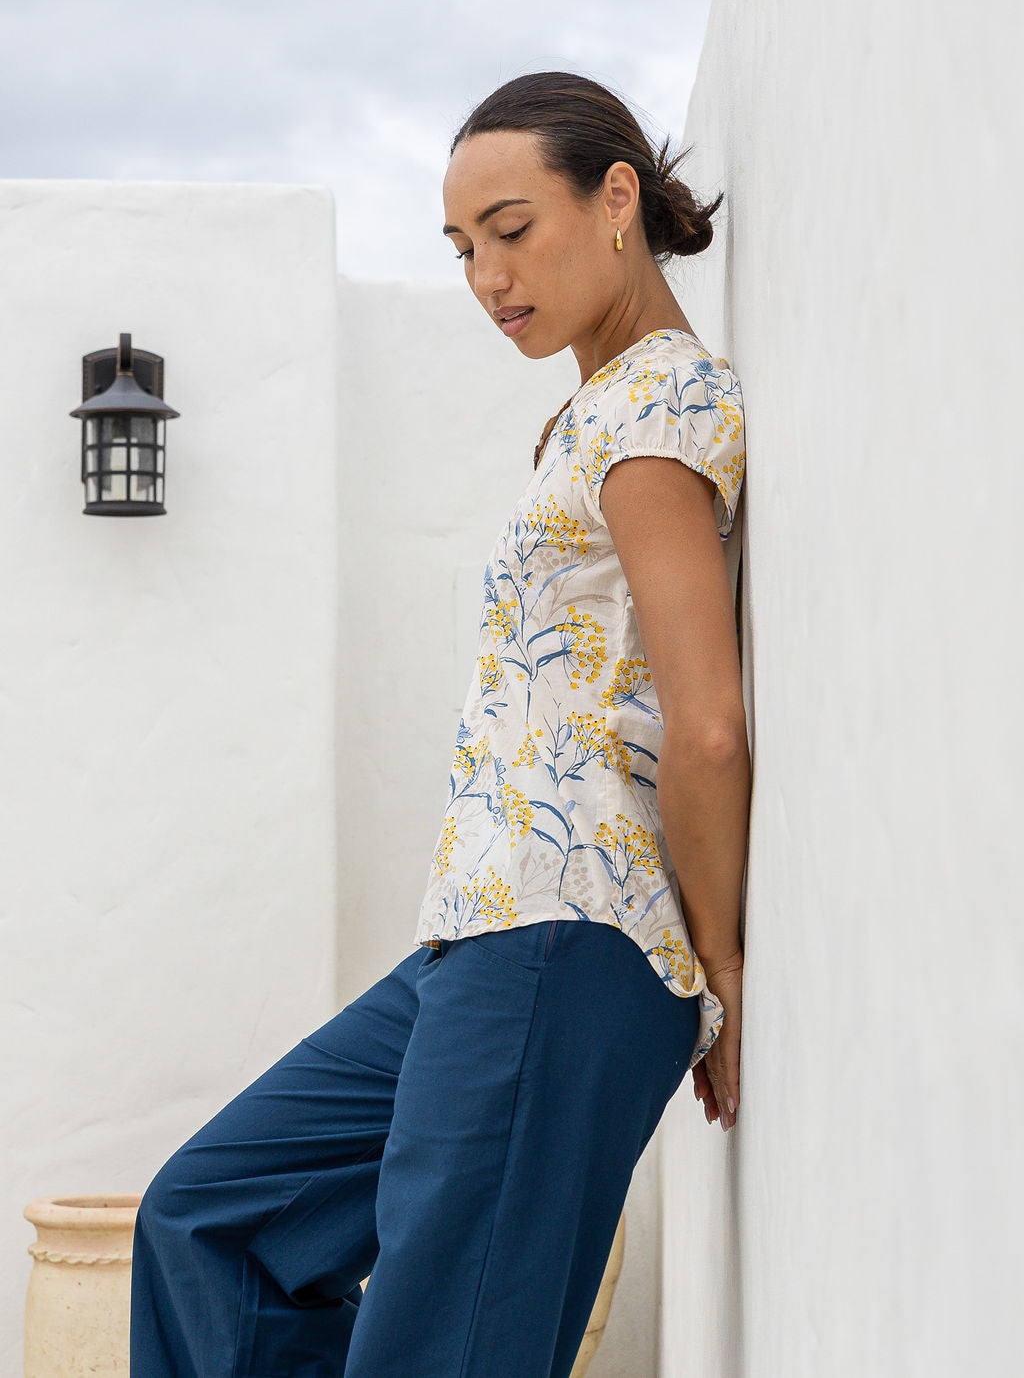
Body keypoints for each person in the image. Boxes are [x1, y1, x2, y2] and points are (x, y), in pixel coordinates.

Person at [129, 70, 750, 1378]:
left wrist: (722, 970)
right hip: (479, 937)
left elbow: (705, 723)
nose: (488, 278)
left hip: (568, 938)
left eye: (514, 231)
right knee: (210, 1219)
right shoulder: (591, 415)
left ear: (617, 197)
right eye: (464, 250)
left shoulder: (654, 408)